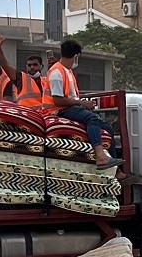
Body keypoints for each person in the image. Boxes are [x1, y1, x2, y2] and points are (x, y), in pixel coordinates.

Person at [41, 39, 122, 169]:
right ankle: (100, 156)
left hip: (69, 106)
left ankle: (116, 171)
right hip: (57, 109)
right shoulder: (56, 72)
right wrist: (81, 102)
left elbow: (71, 95)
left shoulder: (67, 71)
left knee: (108, 129)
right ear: (75, 56)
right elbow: (57, 100)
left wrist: (81, 102)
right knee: (92, 118)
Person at [0, 33, 47, 111]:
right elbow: (5, 66)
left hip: (42, 117)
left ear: (41, 66)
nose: (32, 67)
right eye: (29, 65)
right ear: (26, 67)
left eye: (35, 65)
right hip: (25, 116)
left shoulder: (46, 81)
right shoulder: (22, 78)